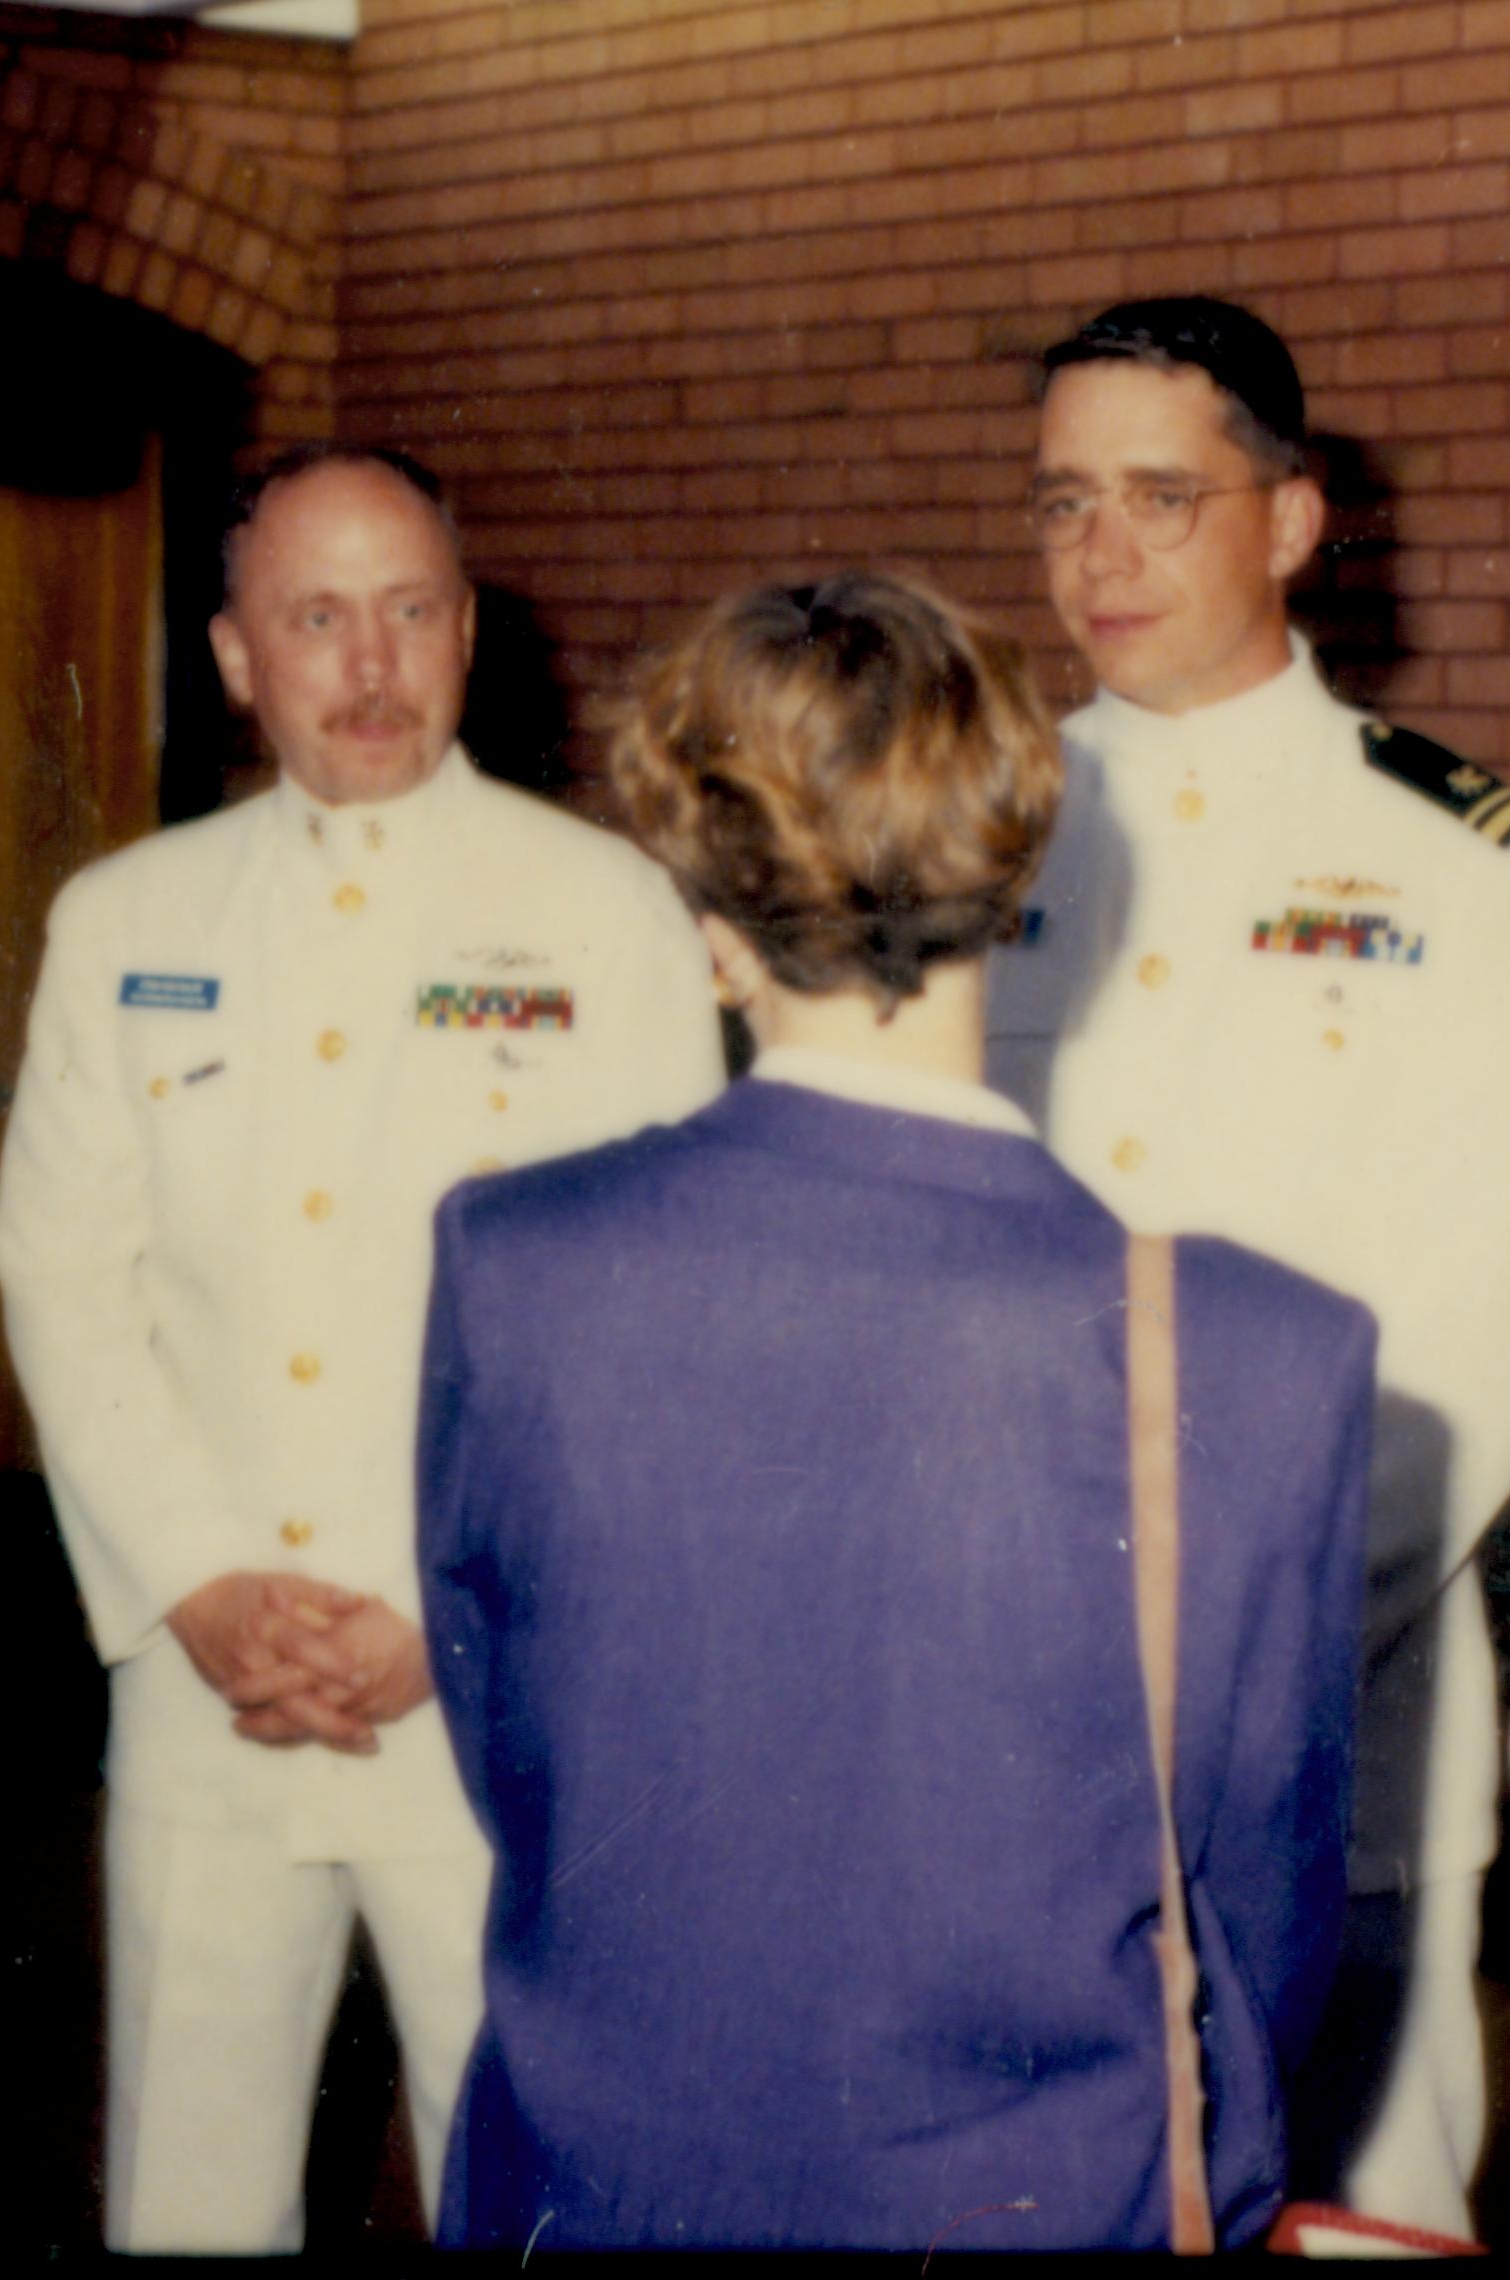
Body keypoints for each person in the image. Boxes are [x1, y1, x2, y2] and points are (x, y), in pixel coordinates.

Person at [418, 569, 1375, 2251]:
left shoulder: (520, 1266)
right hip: (1042, 2207)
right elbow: (1265, 1940)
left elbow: (523, 1763)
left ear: (709, 925)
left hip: (611, 2186)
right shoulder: (1261, 1346)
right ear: (1015, 889)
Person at [0, 445, 725, 2251]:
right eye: (320, 620)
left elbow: (651, 1317)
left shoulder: (605, 915)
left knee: (523, 2185)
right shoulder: (128, 924)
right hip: (206, 1683)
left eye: (410, 614)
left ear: (468, 634)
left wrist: (434, 1604)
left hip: (486, 1677)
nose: (372, 667)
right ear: (239, 656)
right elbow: (64, 1274)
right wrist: (200, 1581)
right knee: (187, 2190)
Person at [989, 297, 1510, 2237]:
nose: (1104, 554)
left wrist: (1234, 1643)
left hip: (1328, 1705)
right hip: (1000, 1696)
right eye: (1066, 501)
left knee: (1352, 2215)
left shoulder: (1461, 864)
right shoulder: (965, 821)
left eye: (1164, 498)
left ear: (1295, 519)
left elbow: (1479, 1345)